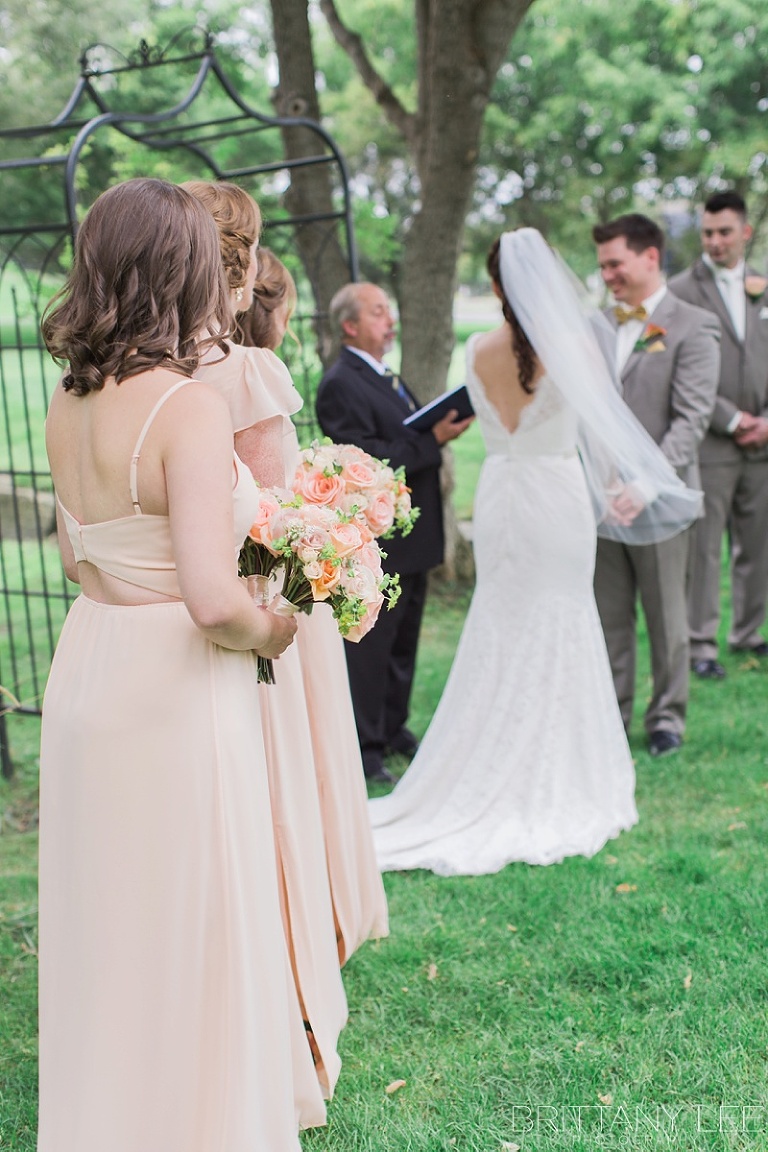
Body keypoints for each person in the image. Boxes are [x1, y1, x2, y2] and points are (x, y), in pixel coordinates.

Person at [38, 177, 323, 1152]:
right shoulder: (191, 408)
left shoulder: (67, 402)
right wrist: (273, 630)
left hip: (90, 670)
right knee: (194, 915)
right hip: (174, 687)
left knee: (109, 923)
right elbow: (209, 597)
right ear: (184, 271)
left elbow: (82, 561)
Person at [369, 228, 703, 876]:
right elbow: (602, 432)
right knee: (563, 616)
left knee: (499, 618)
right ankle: (560, 772)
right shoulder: (575, 343)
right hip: (553, 495)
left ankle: (487, 765)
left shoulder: (476, 348)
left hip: (501, 494)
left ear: (495, 287)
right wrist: (621, 487)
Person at [182, 182, 349, 1098]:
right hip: (256, 609)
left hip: (178, 612)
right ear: (239, 269)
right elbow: (283, 515)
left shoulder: (149, 373)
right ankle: (285, 976)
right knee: (276, 797)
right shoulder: (237, 373)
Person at [236, 247, 390, 963]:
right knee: (297, 755)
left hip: (237, 588)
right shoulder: (252, 372)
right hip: (272, 596)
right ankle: (309, 911)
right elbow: (274, 508)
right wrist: (336, 511)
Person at [315, 282, 473, 783]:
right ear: (350, 325)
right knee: (373, 646)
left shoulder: (388, 375)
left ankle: (394, 725)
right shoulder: (341, 382)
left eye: (390, 309)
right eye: (379, 311)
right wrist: (435, 441)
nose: (391, 319)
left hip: (414, 534)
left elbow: (403, 431)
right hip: (380, 540)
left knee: (404, 640)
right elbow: (365, 459)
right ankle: (364, 746)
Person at [593, 213, 720, 756]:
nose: (608, 277)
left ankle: (667, 717)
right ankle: (613, 715)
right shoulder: (596, 326)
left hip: (662, 500)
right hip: (602, 501)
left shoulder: (694, 325)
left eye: (615, 264)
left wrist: (644, 486)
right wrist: (601, 485)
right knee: (608, 615)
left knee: (669, 615)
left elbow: (691, 420)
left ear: (650, 256)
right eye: (602, 267)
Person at [669, 191, 768, 678]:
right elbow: (678, 373)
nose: (715, 241)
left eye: (725, 231)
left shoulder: (764, 285)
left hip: (765, 443)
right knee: (705, 551)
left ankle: (749, 632)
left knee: (758, 544)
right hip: (711, 442)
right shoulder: (682, 290)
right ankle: (701, 645)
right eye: (708, 232)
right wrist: (730, 419)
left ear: (744, 233)